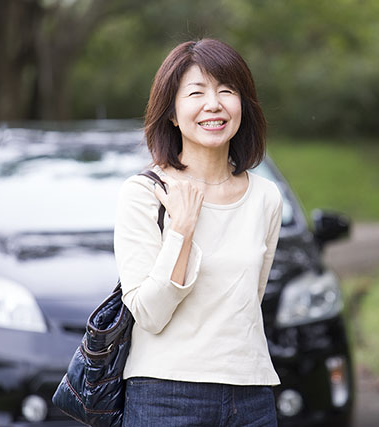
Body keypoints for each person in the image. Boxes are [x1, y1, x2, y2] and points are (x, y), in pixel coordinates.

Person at [113, 38, 282, 426]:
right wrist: (181, 231)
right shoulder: (144, 194)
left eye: (227, 91)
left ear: (243, 106)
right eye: (196, 92)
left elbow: (247, 303)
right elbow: (149, 314)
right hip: (164, 395)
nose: (214, 104)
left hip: (251, 394)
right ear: (172, 113)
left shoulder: (265, 198)